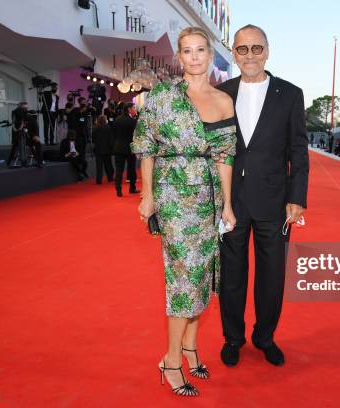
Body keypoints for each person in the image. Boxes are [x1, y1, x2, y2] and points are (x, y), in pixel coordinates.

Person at [131, 26, 237, 397]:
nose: (194, 57)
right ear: (179, 58)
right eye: (187, 51)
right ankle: (170, 360)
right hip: (174, 195)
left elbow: (225, 156)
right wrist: (147, 196)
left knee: (203, 275)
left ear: (210, 55)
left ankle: (190, 348)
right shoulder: (162, 96)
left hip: (208, 197)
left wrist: (228, 204)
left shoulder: (224, 101)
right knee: (183, 280)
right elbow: (144, 145)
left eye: (200, 50)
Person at [216, 24, 309, 367]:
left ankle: (265, 336)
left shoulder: (291, 93)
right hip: (232, 202)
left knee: (272, 276)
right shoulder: (221, 92)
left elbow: (298, 150)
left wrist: (297, 197)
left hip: (275, 201)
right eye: (243, 49)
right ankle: (233, 338)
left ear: (267, 51)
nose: (250, 55)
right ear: (234, 53)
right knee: (232, 274)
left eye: (257, 48)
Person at [112, 103, 139, 196]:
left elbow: (114, 133)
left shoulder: (117, 119)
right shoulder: (132, 121)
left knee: (119, 170)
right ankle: (132, 188)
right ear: (128, 109)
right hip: (129, 147)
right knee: (131, 169)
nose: (134, 109)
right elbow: (135, 135)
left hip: (118, 147)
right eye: (133, 108)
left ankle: (118, 189)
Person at [8, 102, 43, 167]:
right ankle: (23, 161)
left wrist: (36, 136)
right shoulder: (16, 115)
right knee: (22, 139)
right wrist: (21, 126)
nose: (26, 110)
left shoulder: (31, 118)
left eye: (27, 108)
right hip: (19, 137)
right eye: (24, 108)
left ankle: (40, 161)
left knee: (38, 143)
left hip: (29, 137)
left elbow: (35, 127)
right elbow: (15, 129)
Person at [92, 115, 115, 184]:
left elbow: (93, 139)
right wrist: (112, 148)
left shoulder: (95, 128)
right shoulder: (108, 128)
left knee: (99, 166)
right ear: (105, 120)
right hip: (107, 150)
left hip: (98, 150)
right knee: (108, 165)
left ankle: (99, 180)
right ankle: (110, 178)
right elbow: (111, 139)